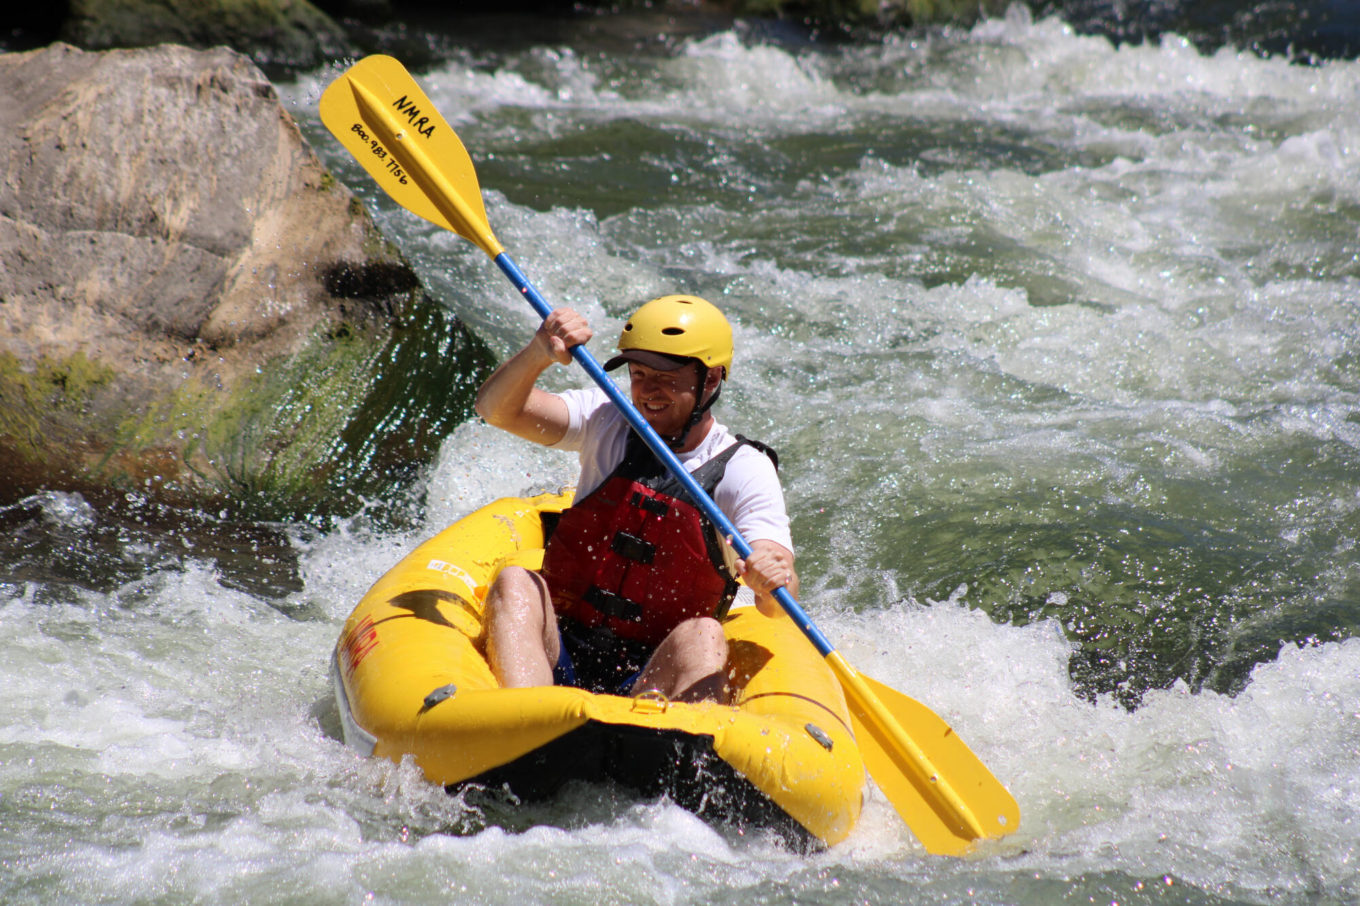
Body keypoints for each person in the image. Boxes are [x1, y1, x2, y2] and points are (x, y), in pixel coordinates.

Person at [473, 294, 797, 704]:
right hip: (562, 646)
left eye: (667, 377)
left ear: (711, 380)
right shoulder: (607, 416)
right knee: (514, 582)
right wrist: (539, 352)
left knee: (705, 634)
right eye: (640, 373)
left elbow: (778, 599)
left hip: (656, 674)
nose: (648, 391)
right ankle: (523, 724)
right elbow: (496, 410)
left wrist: (769, 578)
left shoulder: (744, 468)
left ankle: (674, 753)